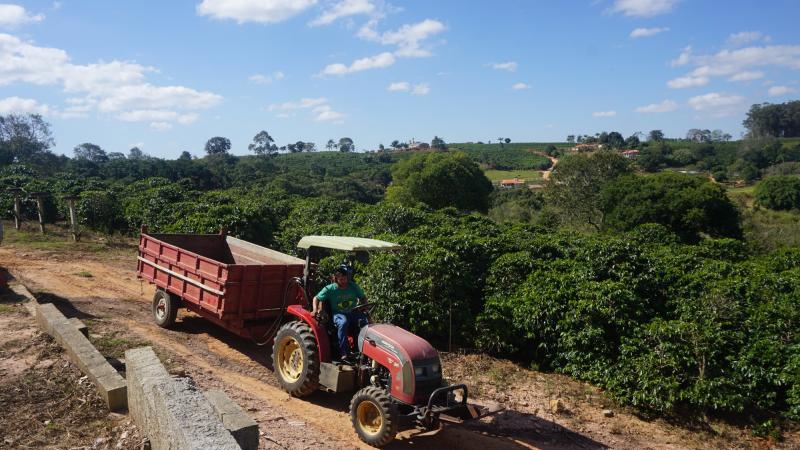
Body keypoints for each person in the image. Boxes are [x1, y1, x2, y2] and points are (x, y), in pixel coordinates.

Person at [311, 266, 368, 361]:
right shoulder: (330, 289)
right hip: (338, 314)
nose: (343, 281)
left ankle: (363, 350)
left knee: (364, 322)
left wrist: (365, 306)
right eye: (341, 279)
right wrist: (314, 309)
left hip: (353, 312)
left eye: (345, 279)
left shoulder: (353, 286)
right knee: (343, 322)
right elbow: (316, 298)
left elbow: (363, 297)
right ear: (336, 279)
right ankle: (344, 352)